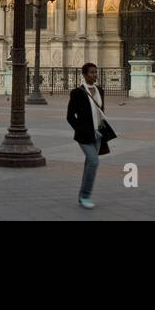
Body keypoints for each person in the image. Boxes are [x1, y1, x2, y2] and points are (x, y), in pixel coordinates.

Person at [66, 62, 116, 209]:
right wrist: (79, 129)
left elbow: (100, 111)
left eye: (96, 72)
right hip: (84, 135)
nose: (95, 75)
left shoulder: (100, 90)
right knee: (94, 162)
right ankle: (86, 196)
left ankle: (83, 196)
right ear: (85, 74)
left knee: (90, 164)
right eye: (92, 72)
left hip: (98, 133)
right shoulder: (77, 92)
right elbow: (70, 116)